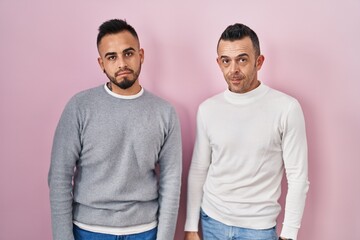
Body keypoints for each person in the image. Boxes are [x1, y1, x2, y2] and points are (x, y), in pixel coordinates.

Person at [48, 19, 182, 240]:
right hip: (88, 230)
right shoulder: (80, 107)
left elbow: (171, 181)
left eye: (128, 53)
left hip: (145, 231)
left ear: (141, 55)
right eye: (112, 57)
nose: (121, 63)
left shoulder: (165, 112)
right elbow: (59, 177)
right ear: (101, 63)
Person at [184, 23, 309, 240]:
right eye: (226, 61)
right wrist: (191, 227)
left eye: (242, 59)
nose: (233, 69)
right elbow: (198, 169)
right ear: (218, 63)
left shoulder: (286, 108)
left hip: (258, 228)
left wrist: (289, 234)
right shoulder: (207, 109)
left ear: (259, 62)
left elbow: (298, 176)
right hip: (212, 221)